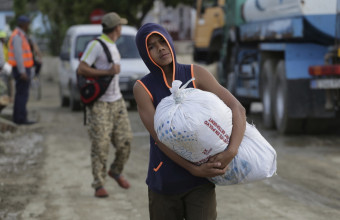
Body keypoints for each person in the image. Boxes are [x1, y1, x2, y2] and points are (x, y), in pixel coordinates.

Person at [133, 23, 247, 220]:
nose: (160, 48)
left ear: (169, 40)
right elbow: (160, 138)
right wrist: (194, 168)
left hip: (200, 184)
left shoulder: (196, 74)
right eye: (151, 46)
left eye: (162, 41)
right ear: (145, 53)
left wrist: (231, 151)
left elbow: (237, 108)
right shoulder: (143, 88)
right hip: (164, 182)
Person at [77, 12, 133, 198]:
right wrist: (107, 71)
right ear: (117, 28)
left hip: (117, 102)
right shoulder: (96, 45)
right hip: (100, 104)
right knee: (100, 145)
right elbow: (81, 68)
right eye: (120, 25)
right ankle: (99, 184)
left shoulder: (112, 45)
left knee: (125, 141)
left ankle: (115, 171)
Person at [8, 15, 35, 125]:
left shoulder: (21, 35)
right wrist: (22, 71)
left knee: (22, 94)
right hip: (21, 70)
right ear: (23, 24)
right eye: (27, 24)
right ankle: (20, 119)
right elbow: (19, 56)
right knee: (22, 94)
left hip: (23, 69)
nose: (29, 26)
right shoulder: (18, 36)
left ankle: (20, 117)